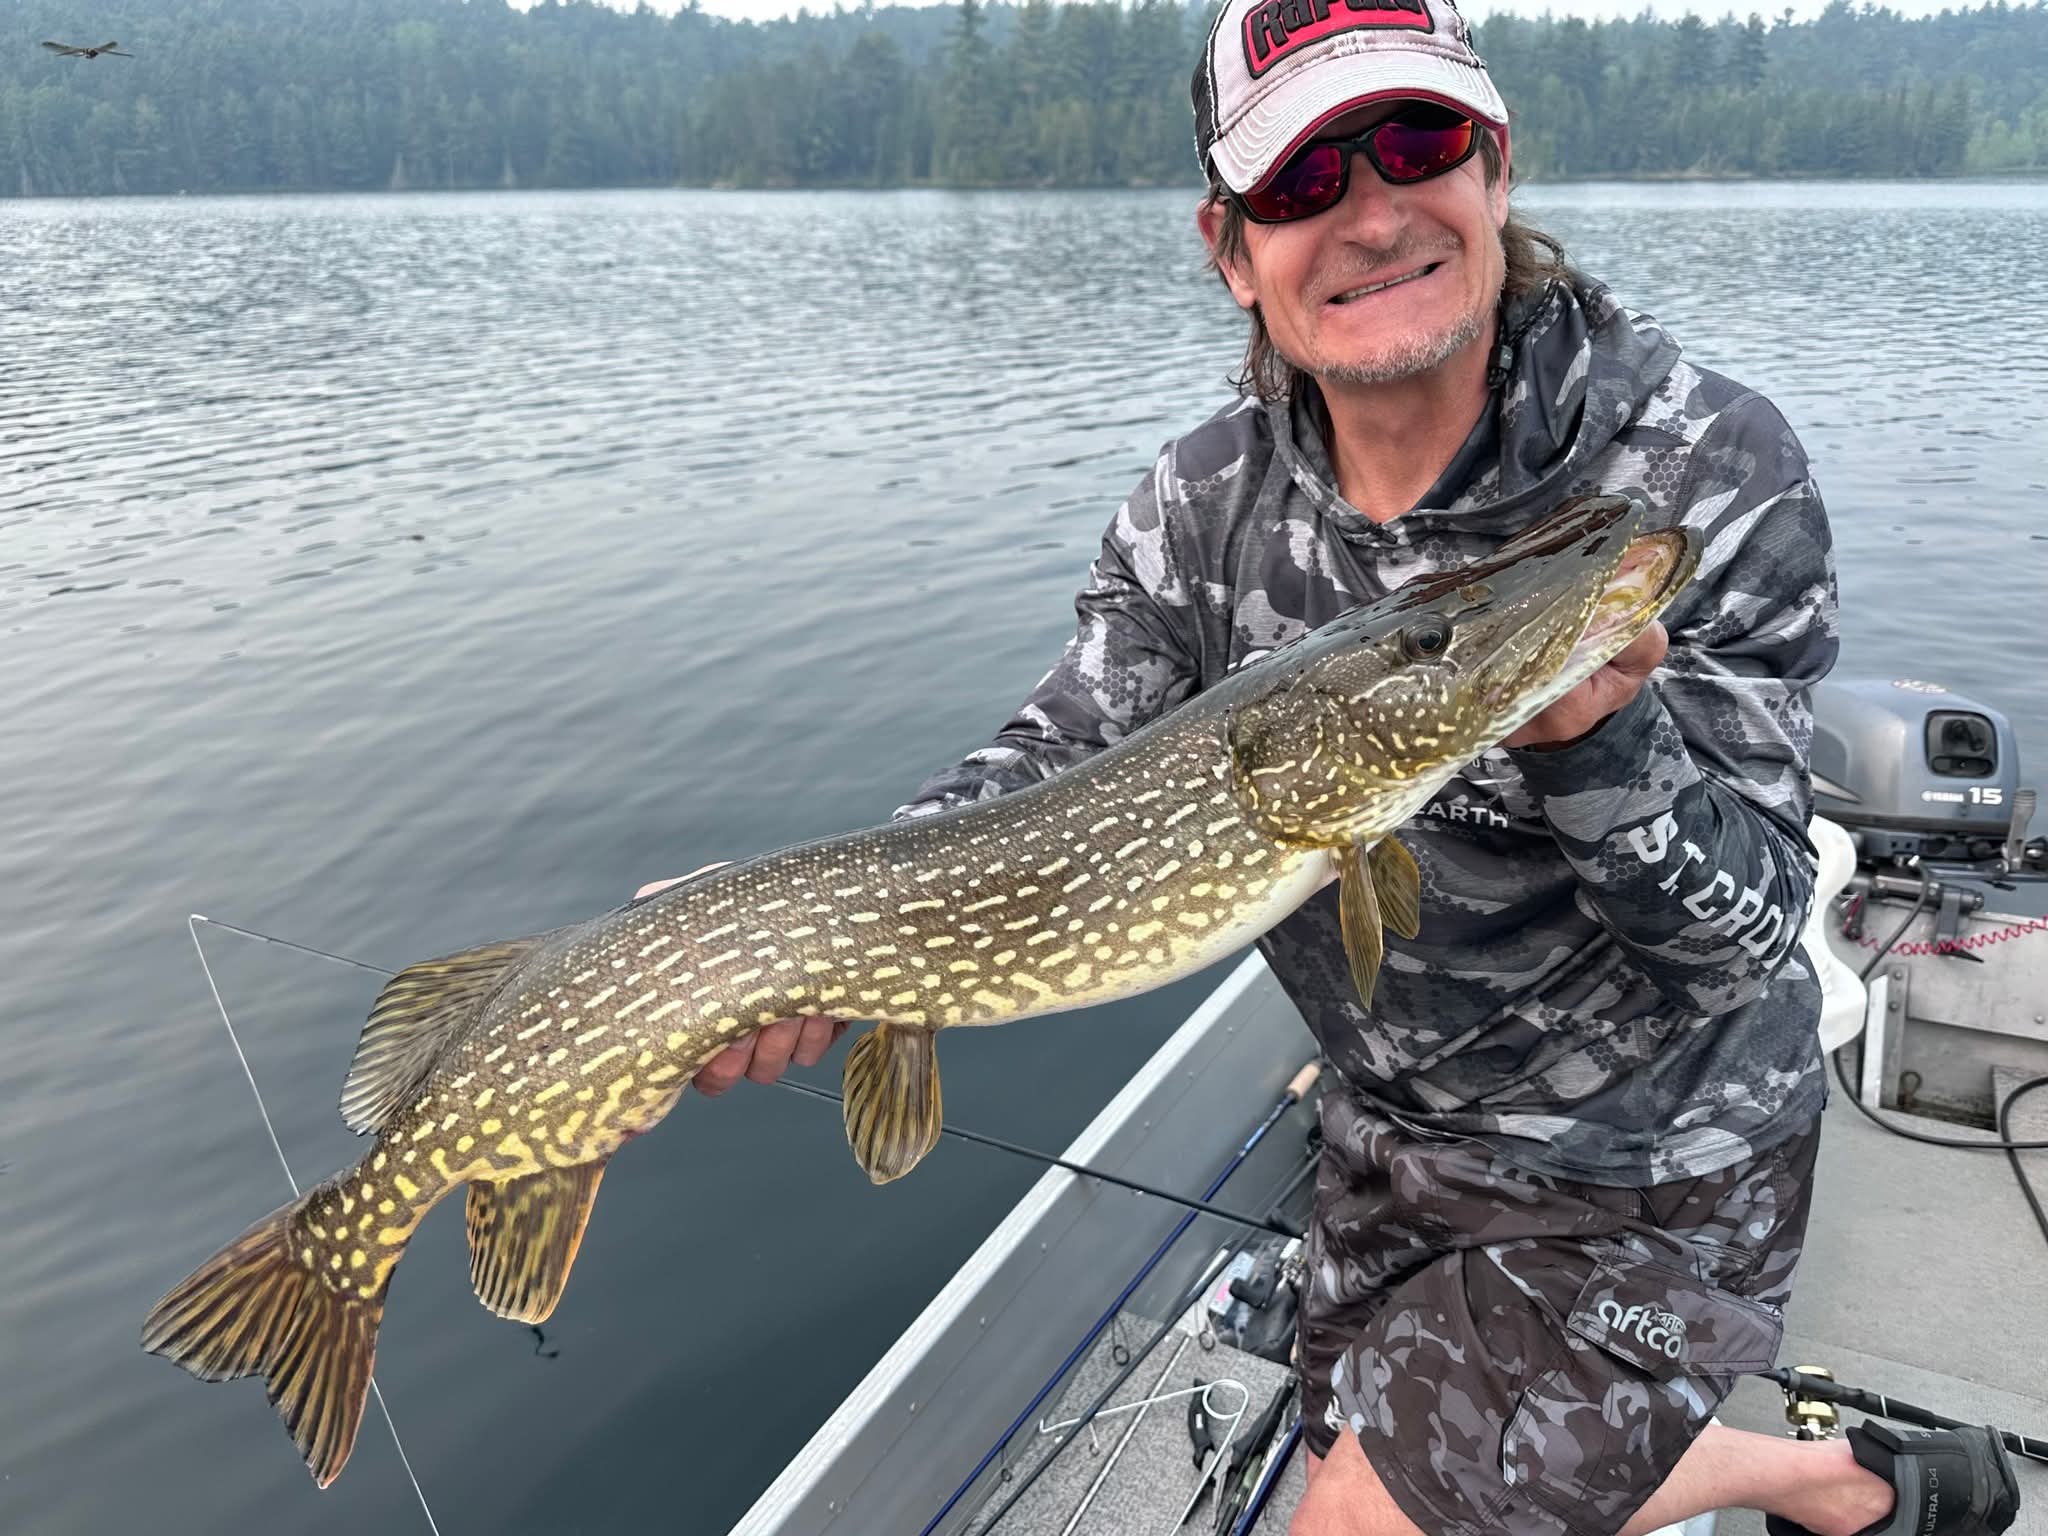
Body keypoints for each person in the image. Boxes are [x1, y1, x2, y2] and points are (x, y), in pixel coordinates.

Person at [638, 4, 2021, 1536]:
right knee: (1374, 1468)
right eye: (1302, 181)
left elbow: (1747, 941)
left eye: (1416, 145)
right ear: (1234, 250)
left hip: (1657, 1164)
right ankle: (1833, 1486)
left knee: (1356, 1520)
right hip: (1381, 1143)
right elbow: (1053, 763)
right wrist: (805, 916)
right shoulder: (1200, 503)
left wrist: (1593, 730)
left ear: (1494, 170)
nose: (1370, 213)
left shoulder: (1700, 469)